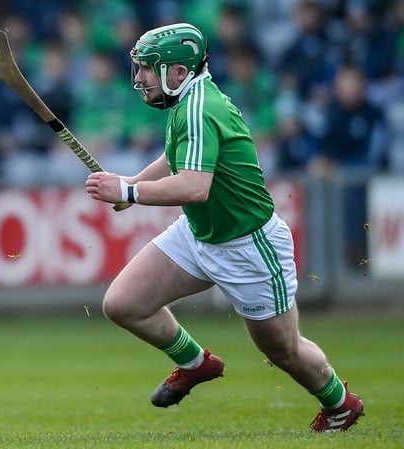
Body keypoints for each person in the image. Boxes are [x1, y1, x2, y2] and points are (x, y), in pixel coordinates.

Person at [84, 23, 364, 432]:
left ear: (178, 72)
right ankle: (195, 363)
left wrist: (129, 188)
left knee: (283, 351)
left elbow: (195, 187)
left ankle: (341, 404)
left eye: (148, 68)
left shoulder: (199, 108)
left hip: (248, 246)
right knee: (123, 304)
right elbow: (172, 158)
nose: (140, 78)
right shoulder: (186, 100)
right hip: (199, 235)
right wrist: (132, 189)